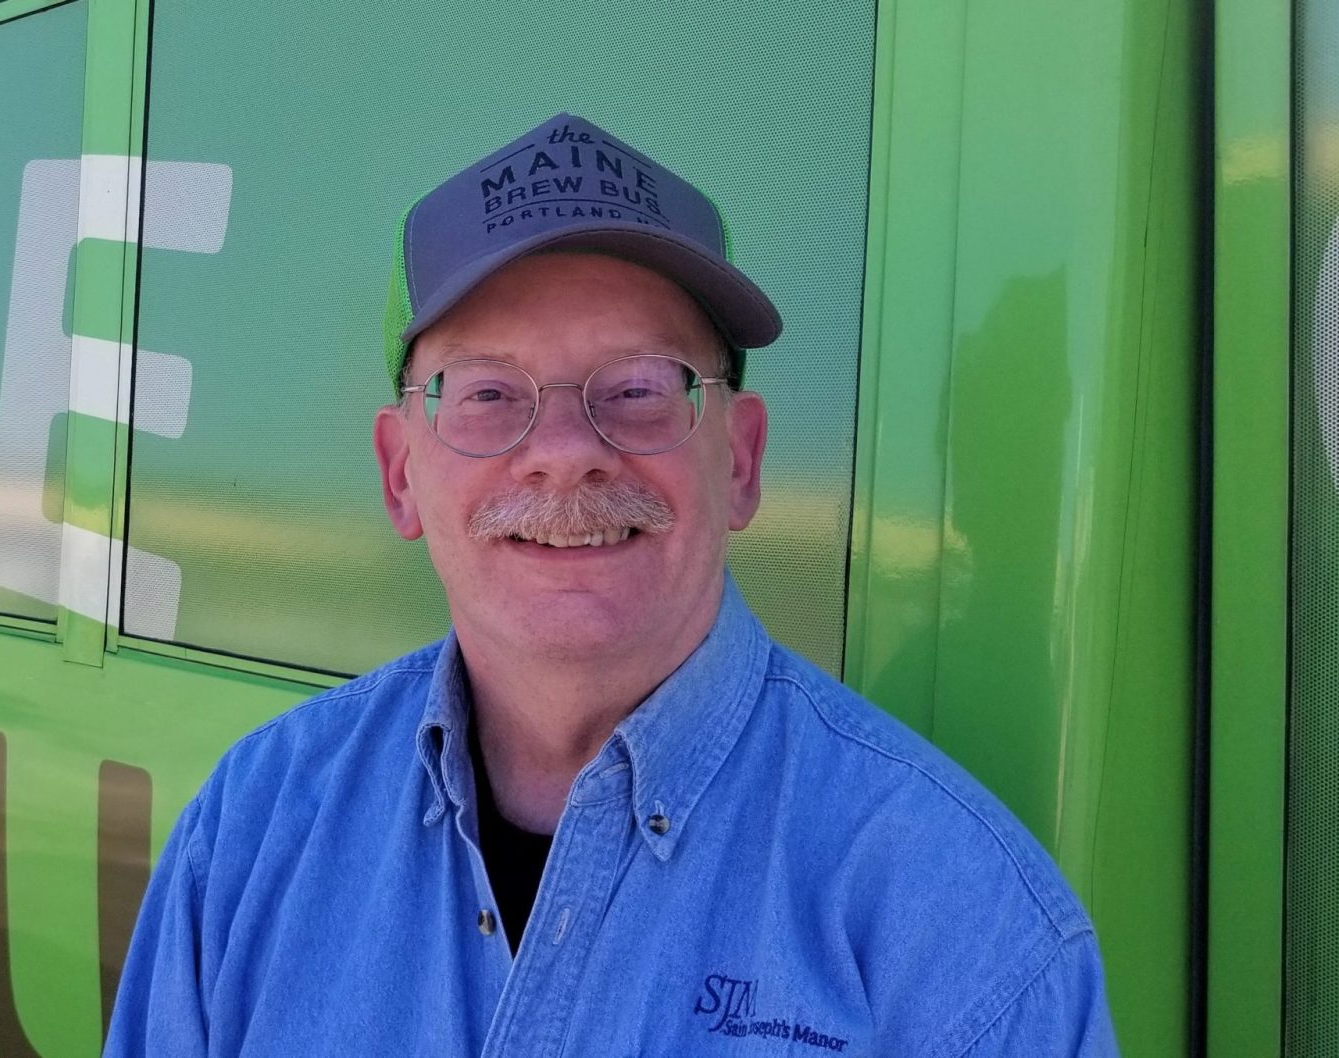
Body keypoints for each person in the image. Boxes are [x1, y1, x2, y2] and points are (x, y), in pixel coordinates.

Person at [105, 112, 1119, 1057]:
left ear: (740, 463)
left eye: (636, 390)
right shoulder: (249, 828)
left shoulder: (965, 930)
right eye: (488, 393)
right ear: (398, 471)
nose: (561, 453)